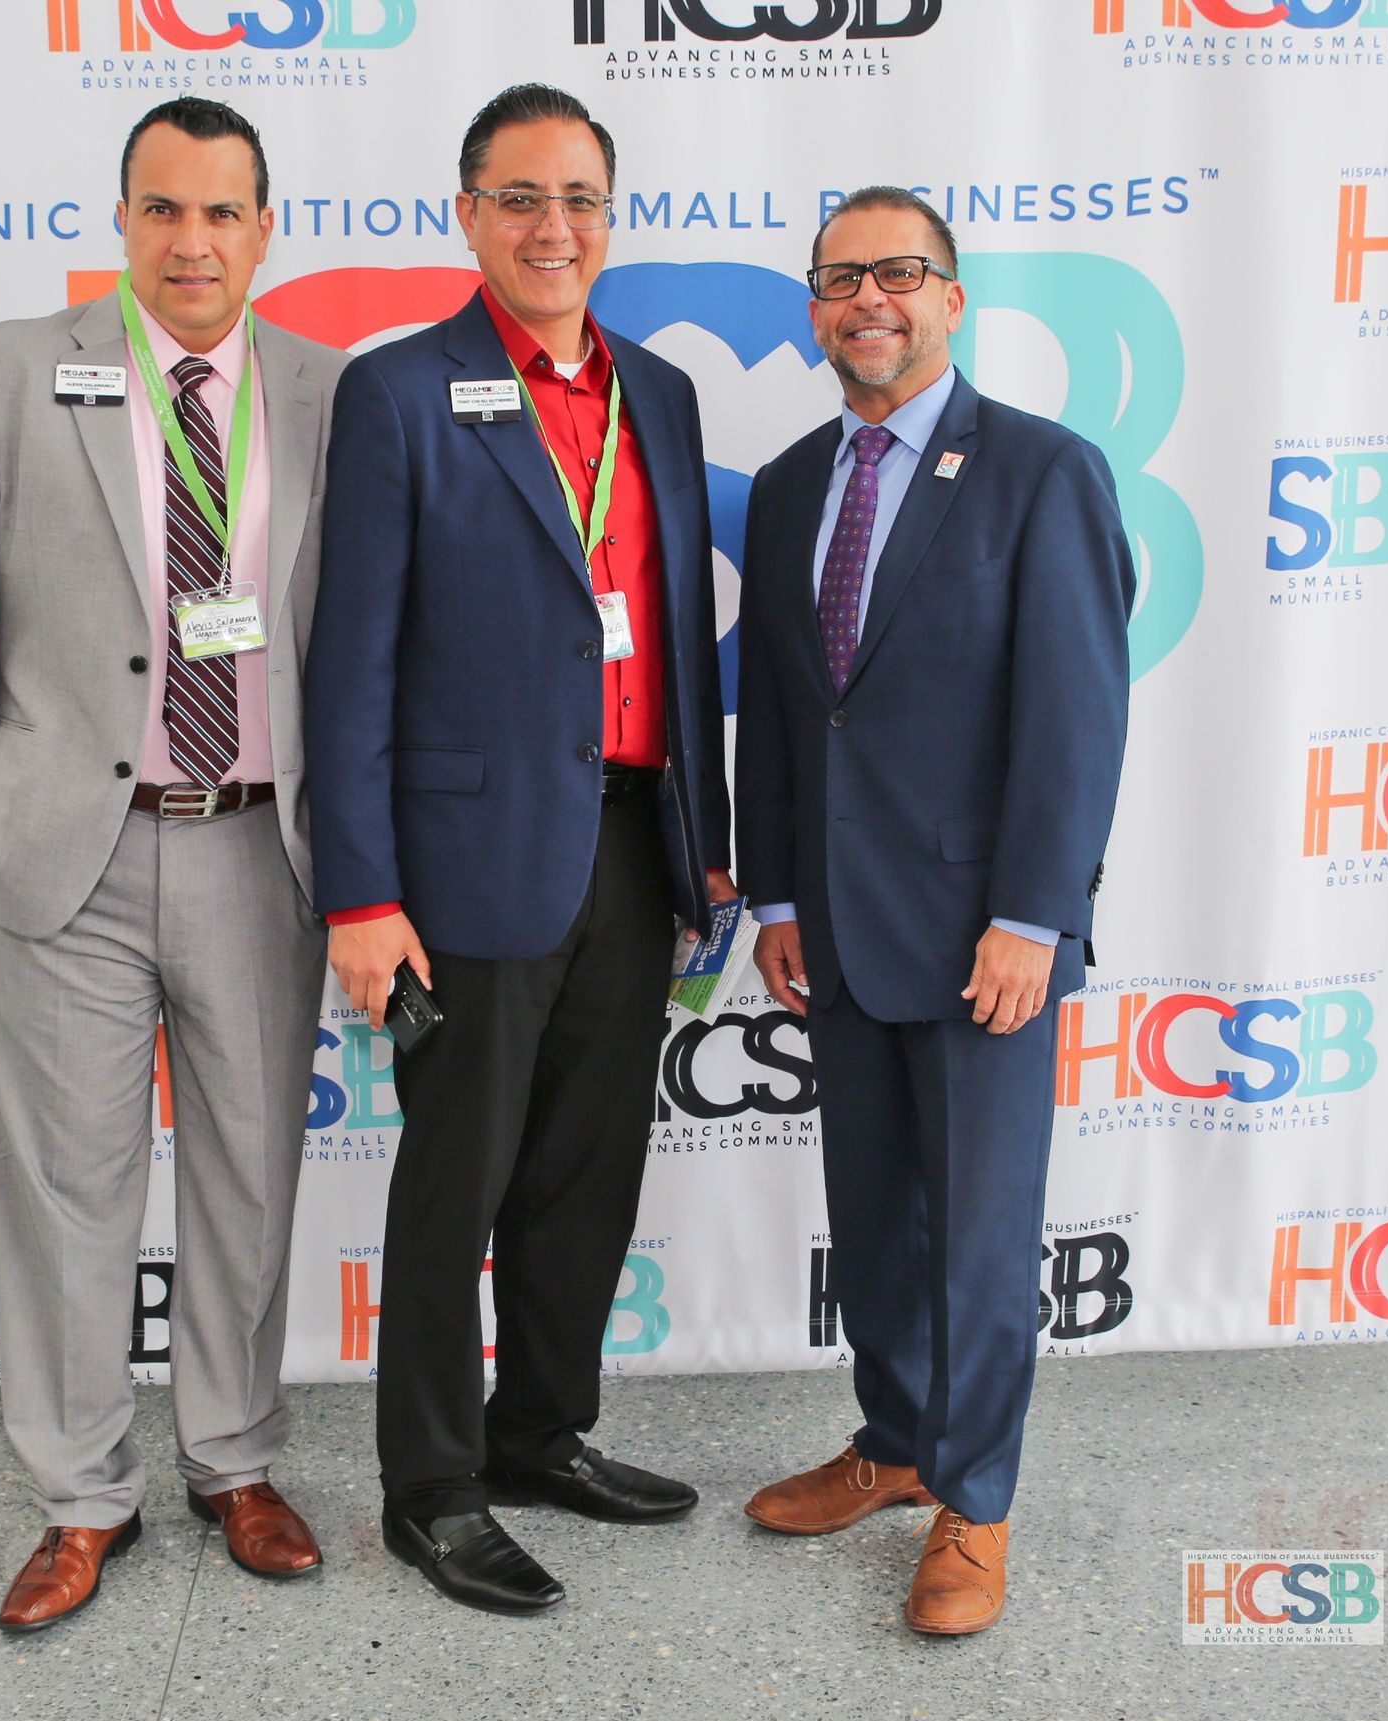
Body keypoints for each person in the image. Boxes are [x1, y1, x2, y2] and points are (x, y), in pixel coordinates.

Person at [0, 97, 346, 1631]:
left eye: (222, 213)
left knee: (246, 1174)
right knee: (64, 1191)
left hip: (257, 854)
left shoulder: (328, 391)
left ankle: (232, 1458)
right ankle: (83, 1496)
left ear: (266, 229)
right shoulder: (21, 366)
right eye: (163, 209)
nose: (193, 240)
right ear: (124, 221)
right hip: (64, 860)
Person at [303, 83, 734, 1616]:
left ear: (609, 217)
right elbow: (349, 664)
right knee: (457, 1189)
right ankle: (430, 1490)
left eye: (581, 198)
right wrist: (358, 892)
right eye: (521, 197)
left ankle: (543, 1432)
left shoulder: (661, 397)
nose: (555, 228)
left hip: (633, 847)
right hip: (470, 863)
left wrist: (711, 846)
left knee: (583, 1177)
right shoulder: (402, 391)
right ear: (468, 213)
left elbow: (681, 638)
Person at [733, 187, 1133, 1635]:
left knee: (973, 1233)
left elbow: (1074, 720)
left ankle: (977, 1501)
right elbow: (780, 716)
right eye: (842, 278)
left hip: (984, 940)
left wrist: (1035, 916)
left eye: (901, 273)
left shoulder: (1041, 473)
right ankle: (896, 1445)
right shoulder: (786, 486)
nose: (869, 301)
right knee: (879, 1221)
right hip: (835, 928)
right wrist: (772, 889)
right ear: (817, 308)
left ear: (952, 299)